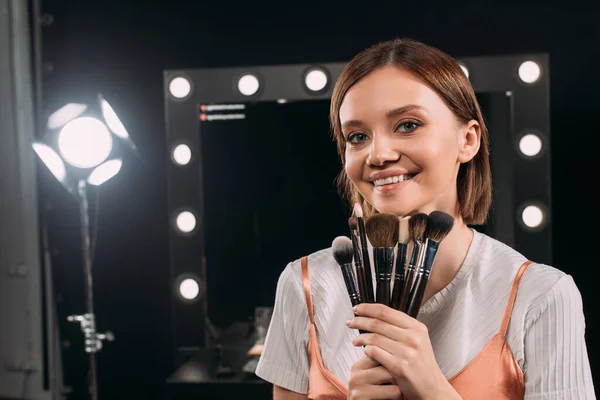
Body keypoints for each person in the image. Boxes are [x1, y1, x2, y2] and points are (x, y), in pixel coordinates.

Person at [254, 38, 595, 399]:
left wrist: (433, 390)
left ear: (468, 140)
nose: (378, 154)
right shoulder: (305, 285)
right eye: (357, 136)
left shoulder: (540, 296)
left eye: (407, 125)